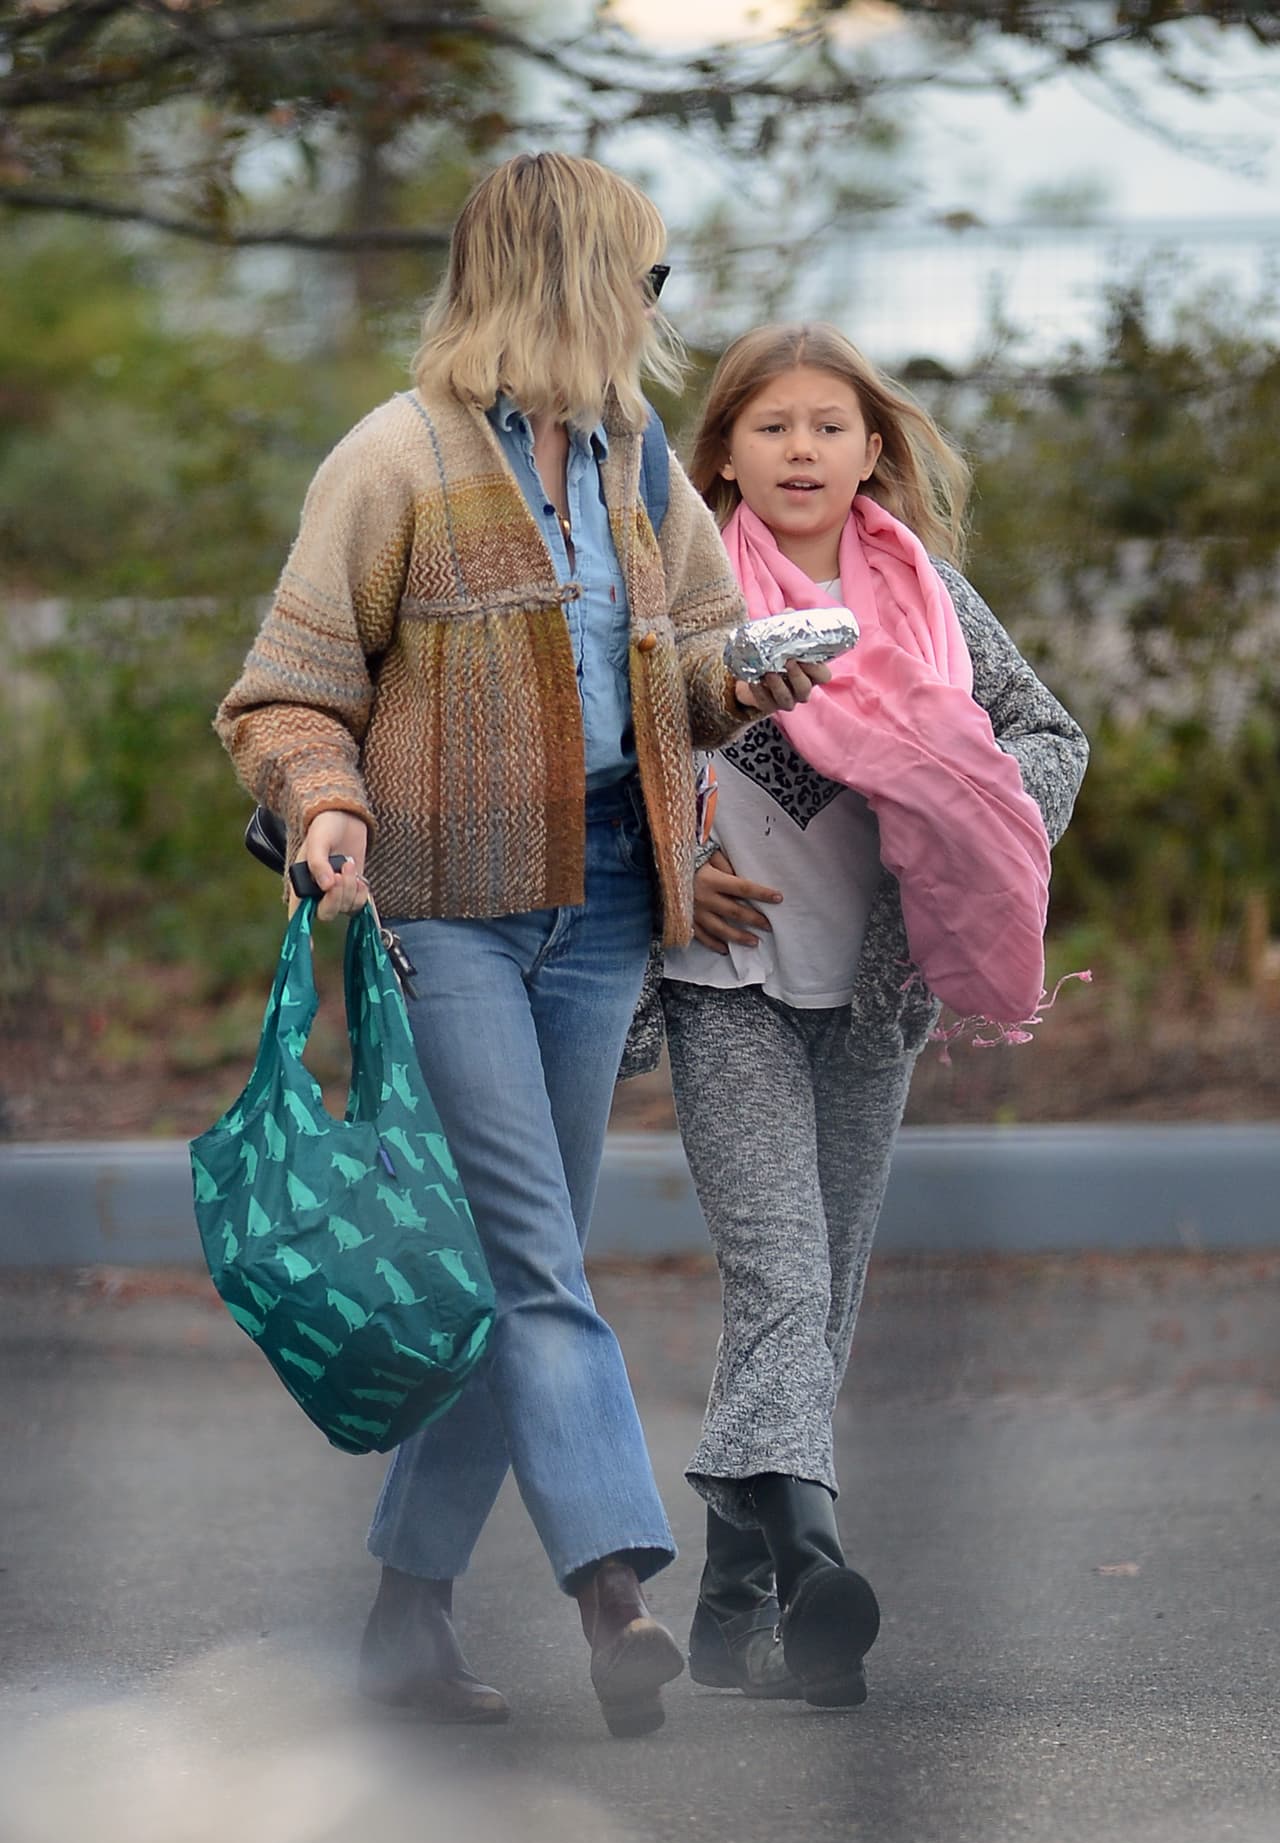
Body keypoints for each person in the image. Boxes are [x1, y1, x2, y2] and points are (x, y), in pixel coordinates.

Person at [214, 157, 828, 1740]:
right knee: (539, 1264)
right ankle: (616, 1595)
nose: (655, 305)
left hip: (608, 902)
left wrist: (749, 682)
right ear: (569, 279)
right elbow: (285, 691)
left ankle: (405, 1623)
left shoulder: (632, 460)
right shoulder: (395, 460)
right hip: (448, 916)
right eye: (645, 274)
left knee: (502, 1270)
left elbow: (685, 661)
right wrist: (324, 807)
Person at [657, 322, 1089, 1709]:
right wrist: (675, 874)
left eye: (829, 427)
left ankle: (734, 1614)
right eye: (771, 426)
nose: (801, 449)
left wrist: (970, 811)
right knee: (784, 1276)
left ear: (873, 452)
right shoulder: (683, 593)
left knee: (824, 1286)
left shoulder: (930, 599)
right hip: (725, 989)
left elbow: (1050, 736)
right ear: (721, 450)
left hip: (874, 995)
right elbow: (612, 756)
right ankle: (819, 1561)